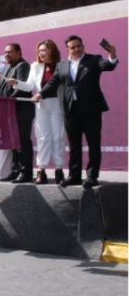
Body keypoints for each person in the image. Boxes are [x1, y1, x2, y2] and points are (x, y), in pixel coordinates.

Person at [36, 35, 118, 188]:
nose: (77, 49)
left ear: (83, 46)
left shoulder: (94, 60)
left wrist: (112, 55)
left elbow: (108, 65)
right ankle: (74, 176)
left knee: (93, 144)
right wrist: (41, 94)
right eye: (73, 47)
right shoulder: (61, 66)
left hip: (91, 110)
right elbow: (53, 83)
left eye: (79, 46)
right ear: (68, 49)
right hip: (71, 110)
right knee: (74, 145)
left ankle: (92, 176)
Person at [9, 40, 66, 184]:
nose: (41, 53)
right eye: (39, 51)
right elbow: (29, 87)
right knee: (42, 138)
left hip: (57, 105)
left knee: (58, 137)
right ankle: (41, 170)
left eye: (44, 50)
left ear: (52, 50)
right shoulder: (35, 66)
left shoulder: (61, 65)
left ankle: (59, 170)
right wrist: (17, 83)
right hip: (41, 106)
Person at [0, 44, 35, 183]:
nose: (6, 55)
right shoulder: (8, 67)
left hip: (22, 110)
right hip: (10, 111)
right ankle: (16, 171)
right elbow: (2, 87)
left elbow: (22, 88)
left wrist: (8, 101)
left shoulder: (22, 66)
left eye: (9, 52)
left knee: (22, 142)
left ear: (19, 52)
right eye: (5, 52)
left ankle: (25, 173)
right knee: (14, 142)